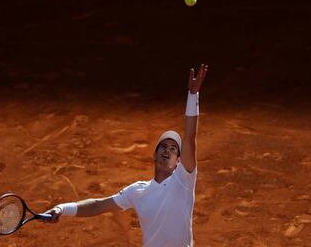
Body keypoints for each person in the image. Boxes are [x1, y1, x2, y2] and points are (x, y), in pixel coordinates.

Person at [44, 64, 208, 247]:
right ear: (154, 155)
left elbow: (190, 137)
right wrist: (62, 208)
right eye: (163, 147)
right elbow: (99, 205)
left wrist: (193, 95)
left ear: (179, 161)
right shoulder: (137, 191)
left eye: (173, 149)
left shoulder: (183, 180)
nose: (167, 151)